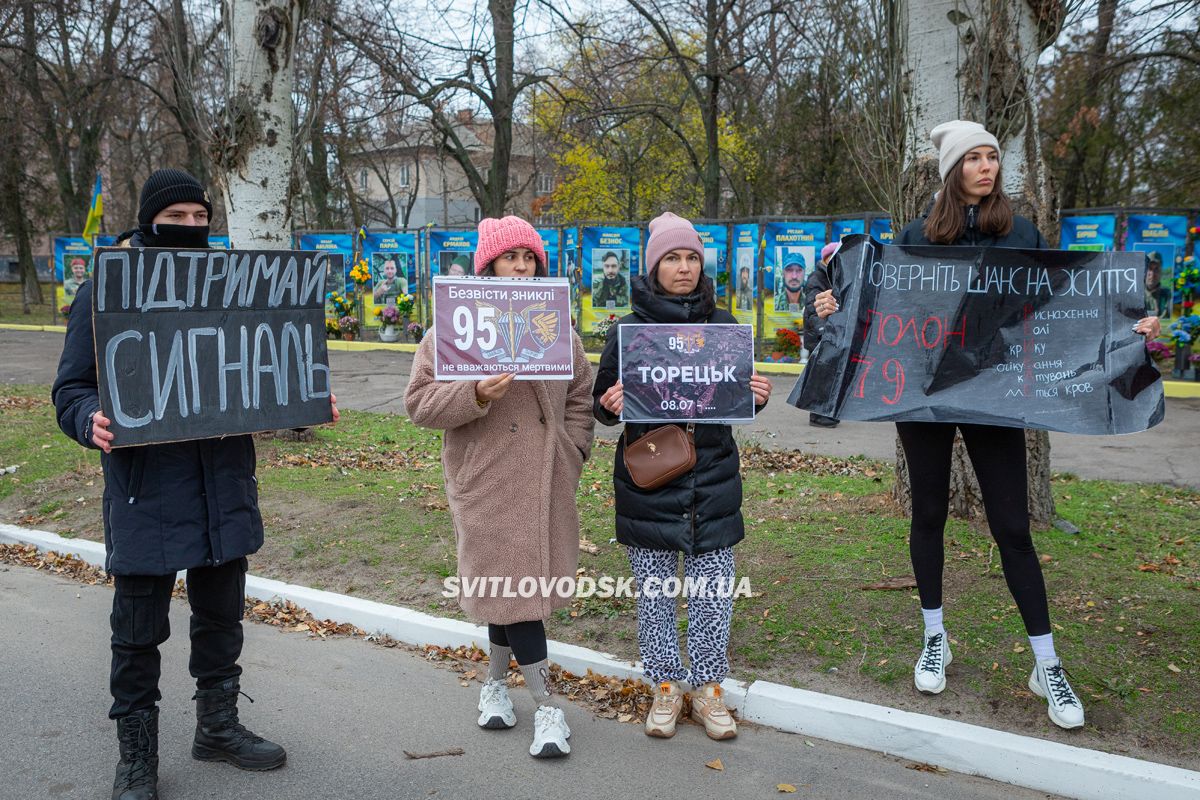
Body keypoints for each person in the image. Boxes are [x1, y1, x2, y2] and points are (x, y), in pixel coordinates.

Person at [814, 121, 1160, 731]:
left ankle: (1046, 662)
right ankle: (934, 636)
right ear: (952, 170)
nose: (986, 167)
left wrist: (1129, 324)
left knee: (1012, 527)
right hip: (925, 394)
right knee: (928, 515)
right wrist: (831, 305)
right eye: (973, 158)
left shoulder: (1021, 233)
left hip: (996, 395)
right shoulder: (916, 237)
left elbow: (1068, 302)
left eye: (992, 157)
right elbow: (882, 302)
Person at [52, 168, 340, 800]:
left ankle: (218, 726)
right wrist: (87, 420)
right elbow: (69, 388)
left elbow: (262, 364)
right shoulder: (107, 288)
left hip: (223, 487)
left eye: (198, 216)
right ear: (149, 218)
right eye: (175, 216)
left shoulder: (232, 287)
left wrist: (302, 396)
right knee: (136, 632)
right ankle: (136, 756)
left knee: (220, 619)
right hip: (144, 490)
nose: (189, 226)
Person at [404, 215, 595, 759]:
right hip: (485, 479)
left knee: (511, 593)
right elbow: (419, 403)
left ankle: (495, 685)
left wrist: (572, 447)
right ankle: (547, 706)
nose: (521, 266)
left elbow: (580, 394)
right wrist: (476, 393)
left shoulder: (559, 327)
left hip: (545, 480)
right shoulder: (452, 327)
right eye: (510, 257)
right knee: (511, 593)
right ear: (488, 265)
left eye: (529, 257)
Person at [592, 212, 772, 741]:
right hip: (650, 481)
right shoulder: (628, 330)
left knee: (713, 592)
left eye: (692, 257)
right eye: (672, 257)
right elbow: (600, 406)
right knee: (655, 595)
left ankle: (708, 689)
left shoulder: (724, 327)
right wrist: (609, 403)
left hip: (713, 481)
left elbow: (733, 399)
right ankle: (667, 687)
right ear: (654, 266)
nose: (684, 267)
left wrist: (754, 398)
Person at [802, 241, 840, 428]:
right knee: (818, 376)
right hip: (819, 335)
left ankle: (826, 411)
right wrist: (822, 330)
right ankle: (816, 414)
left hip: (830, 335)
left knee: (829, 375)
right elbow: (812, 308)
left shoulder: (835, 277)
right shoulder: (817, 278)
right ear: (826, 259)